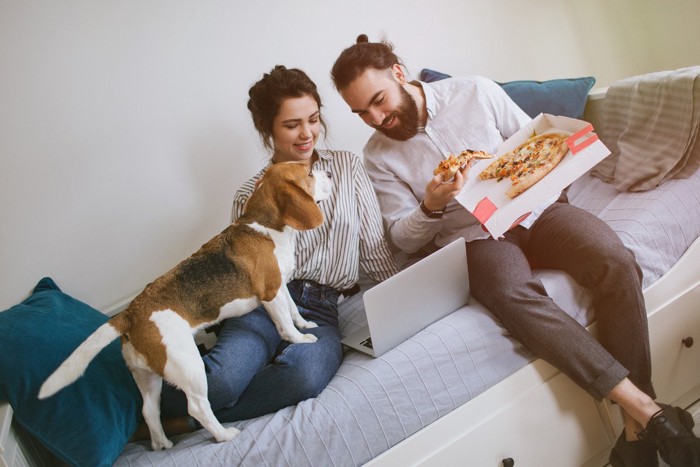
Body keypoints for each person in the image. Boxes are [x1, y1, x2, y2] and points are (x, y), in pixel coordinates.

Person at [330, 35, 700, 467]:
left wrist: (520, 175)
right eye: (362, 113)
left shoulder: (475, 91)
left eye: (378, 100)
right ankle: (648, 412)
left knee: (615, 260)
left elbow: (541, 144)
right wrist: (431, 204)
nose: (377, 118)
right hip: (475, 239)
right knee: (512, 297)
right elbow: (401, 239)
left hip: (538, 211)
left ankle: (636, 433)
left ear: (397, 73)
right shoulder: (377, 156)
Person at [146, 65, 398, 436]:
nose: (307, 132)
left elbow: (375, 250)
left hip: (323, 310)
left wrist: (404, 301)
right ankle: (135, 400)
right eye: (292, 124)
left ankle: (185, 421)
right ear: (268, 129)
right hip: (263, 305)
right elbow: (246, 275)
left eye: (313, 119)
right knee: (224, 382)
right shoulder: (250, 195)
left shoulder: (346, 167)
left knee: (305, 377)